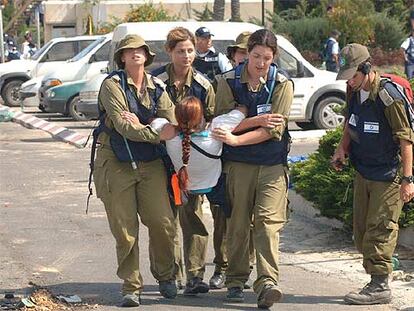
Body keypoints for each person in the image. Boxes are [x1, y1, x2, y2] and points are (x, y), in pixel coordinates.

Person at [91, 34, 178, 307]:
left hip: (150, 162)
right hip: (115, 162)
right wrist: (154, 129)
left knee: (163, 222)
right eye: (129, 51)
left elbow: (173, 123)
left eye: (139, 50)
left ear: (147, 55)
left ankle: (166, 276)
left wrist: (144, 121)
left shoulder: (157, 86)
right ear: (122, 57)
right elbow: (122, 125)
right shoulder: (112, 85)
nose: (135, 54)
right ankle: (131, 286)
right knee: (125, 229)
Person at [213, 29, 293, 309]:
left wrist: (238, 134)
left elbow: (274, 130)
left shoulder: (282, 83)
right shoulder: (228, 81)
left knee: (268, 225)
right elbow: (220, 124)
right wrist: (255, 121)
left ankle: (267, 282)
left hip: (272, 166)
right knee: (237, 225)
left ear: (274, 58)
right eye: (256, 56)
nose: (261, 63)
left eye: (267, 59)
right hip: (238, 166)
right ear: (247, 53)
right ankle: (235, 280)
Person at [332, 43, 414, 305]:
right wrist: (341, 149)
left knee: (380, 229)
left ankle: (379, 285)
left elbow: (406, 140)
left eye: (353, 75)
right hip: (364, 171)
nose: (350, 81)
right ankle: (379, 273)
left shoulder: (388, 96)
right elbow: (350, 122)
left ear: (366, 68)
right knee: (361, 233)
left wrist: (408, 179)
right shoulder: (354, 91)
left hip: (388, 174)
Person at [148, 27, 220, 295]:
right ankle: (168, 275)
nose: (187, 56)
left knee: (193, 219)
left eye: (190, 50)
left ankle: (195, 275)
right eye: (180, 51)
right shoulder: (154, 81)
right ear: (170, 52)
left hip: (190, 165)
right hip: (159, 161)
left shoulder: (203, 85)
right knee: (164, 222)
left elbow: (212, 120)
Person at [400, 10, 414, 79]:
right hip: (410, 62)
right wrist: (405, 58)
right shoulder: (409, 40)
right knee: (410, 77)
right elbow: (402, 48)